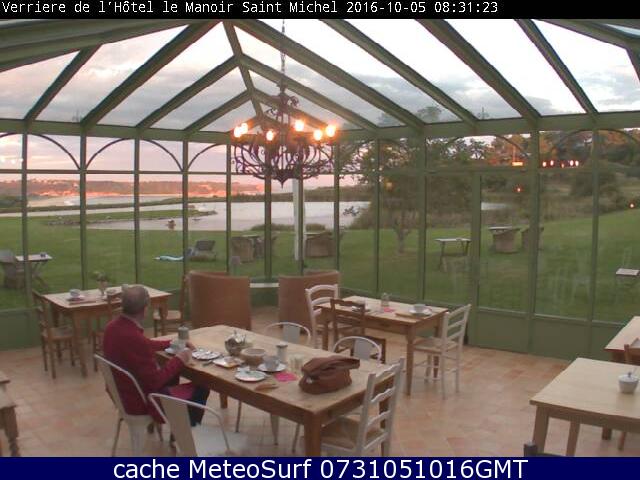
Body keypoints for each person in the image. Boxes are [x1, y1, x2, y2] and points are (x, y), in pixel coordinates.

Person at [103, 285, 209, 426]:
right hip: (141, 402)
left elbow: (144, 344)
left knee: (172, 373)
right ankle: (184, 432)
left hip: (124, 395)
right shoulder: (135, 338)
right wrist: (180, 359)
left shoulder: (111, 328)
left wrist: (171, 343)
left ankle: (176, 428)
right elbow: (155, 381)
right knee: (202, 387)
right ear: (145, 308)